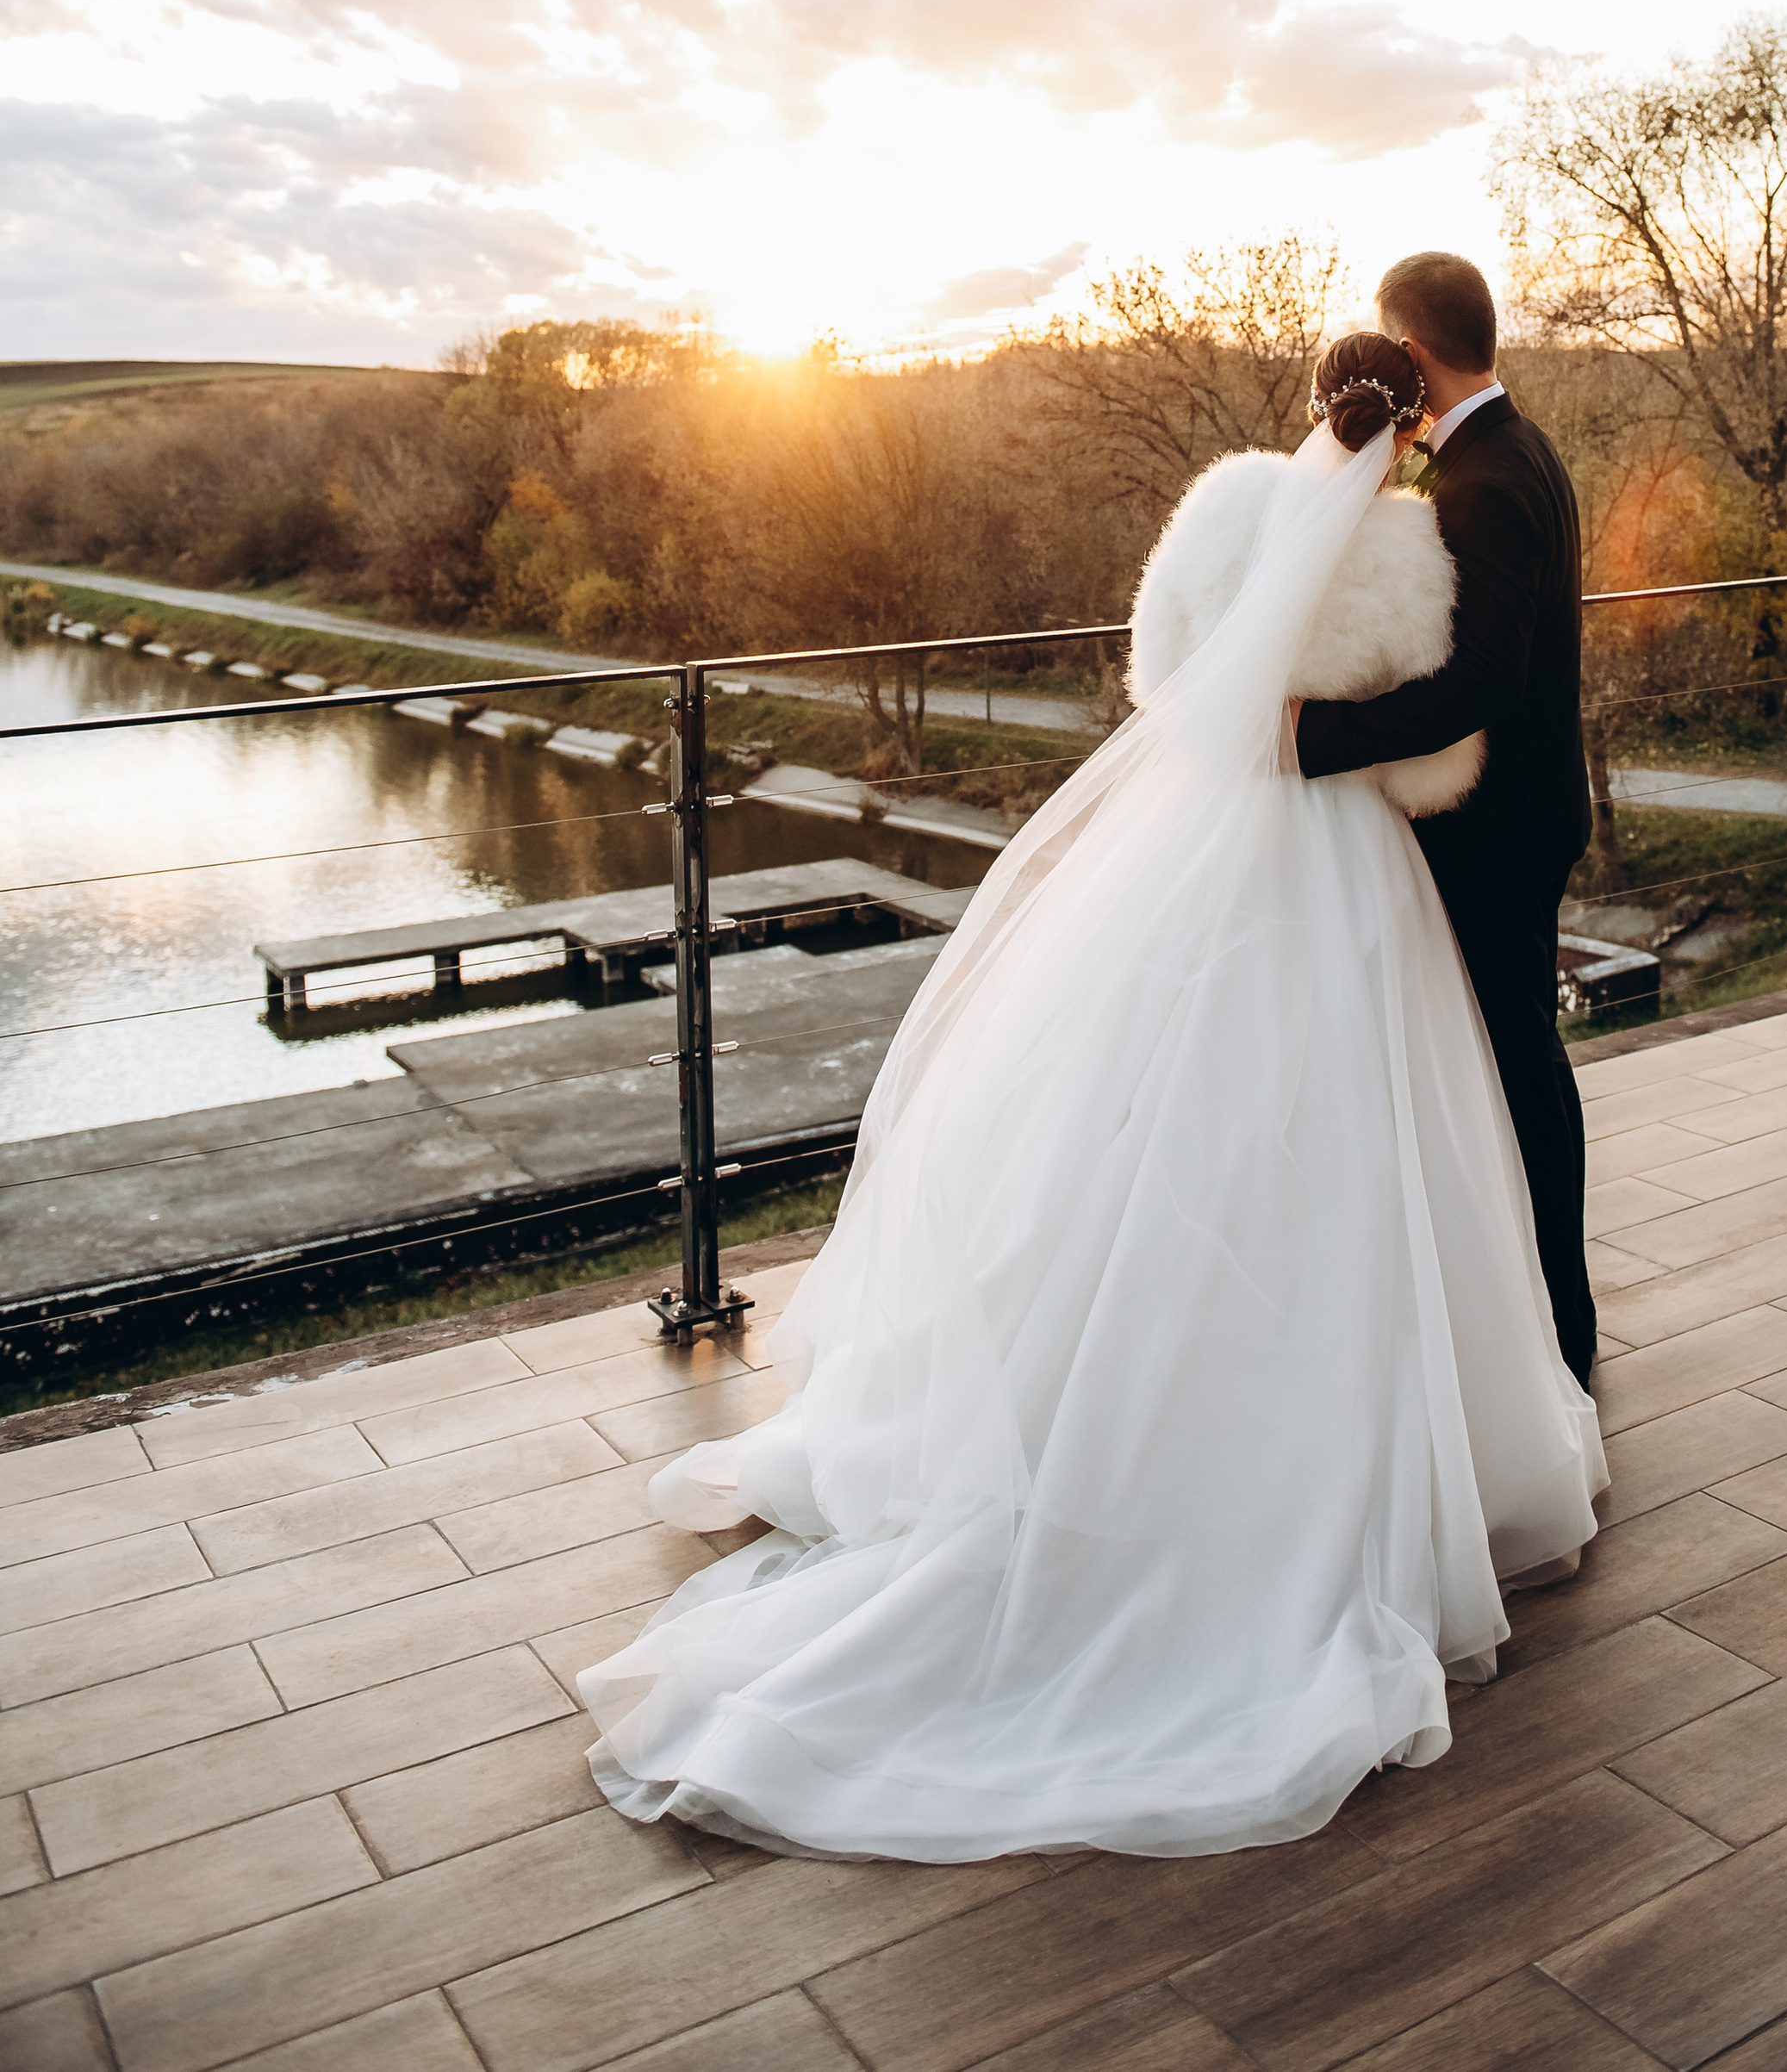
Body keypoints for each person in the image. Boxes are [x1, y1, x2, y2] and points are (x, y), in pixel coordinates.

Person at [579, 330, 1603, 1864]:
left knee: (1177, 1119)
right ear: (1406, 428)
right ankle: (1392, 1414)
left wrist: (1272, 731)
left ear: (1321, 407)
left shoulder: (1231, 511)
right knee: (1367, 1134)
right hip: (1356, 866)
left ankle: (1128, 1405)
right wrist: (1339, 750)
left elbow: (1167, 678)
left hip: (1231, 847)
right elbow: (1440, 723)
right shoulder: (1413, 540)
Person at [1293, 255, 1599, 1384]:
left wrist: (1310, 740)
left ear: (1414, 353)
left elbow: (1485, 685)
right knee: (1513, 1062)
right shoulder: (1520, 450)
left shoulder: (1484, 481)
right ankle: (1540, 1316)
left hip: (1499, 828)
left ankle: (1559, 1329)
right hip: (1524, 810)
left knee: (1518, 1066)